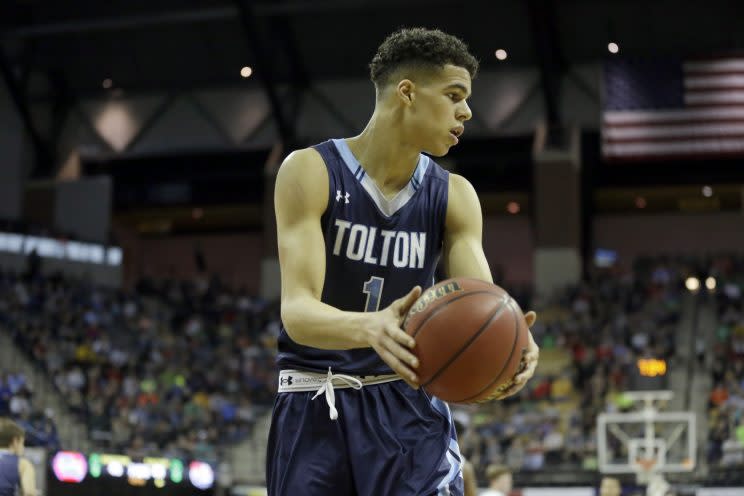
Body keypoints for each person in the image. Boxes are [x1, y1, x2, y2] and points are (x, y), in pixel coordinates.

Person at [267, 27, 540, 496]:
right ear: (407, 93)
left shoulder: (454, 195)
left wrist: (515, 341)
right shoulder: (309, 171)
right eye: (454, 95)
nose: (467, 111)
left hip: (409, 409)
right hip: (315, 399)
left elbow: (484, 303)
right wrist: (369, 326)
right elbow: (297, 313)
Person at [0, 418, 37, 496]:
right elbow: (29, 493)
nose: (23, 448)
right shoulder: (23, 464)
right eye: (22, 443)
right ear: (15, 441)